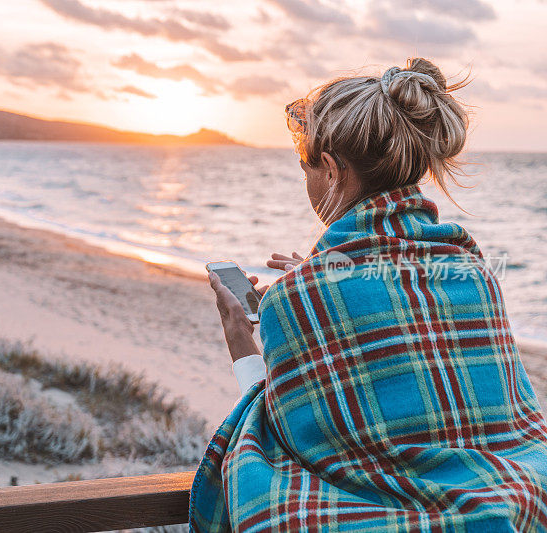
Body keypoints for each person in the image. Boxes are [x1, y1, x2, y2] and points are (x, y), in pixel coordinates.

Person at [193, 58, 547, 532]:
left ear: (333, 170)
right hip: (519, 506)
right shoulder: (473, 272)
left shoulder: (300, 297)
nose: (306, 182)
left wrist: (242, 340)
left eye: (306, 167)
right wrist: (334, 280)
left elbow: (285, 432)